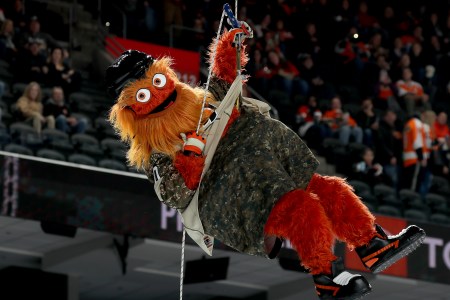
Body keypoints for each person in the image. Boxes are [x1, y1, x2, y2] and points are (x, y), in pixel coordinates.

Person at [375, 110, 403, 189]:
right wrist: (390, 156)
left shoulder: (395, 128)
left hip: (395, 159)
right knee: (391, 180)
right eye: (390, 115)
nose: (393, 117)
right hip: (386, 160)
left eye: (394, 115)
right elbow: (381, 144)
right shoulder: (381, 128)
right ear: (385, 117)